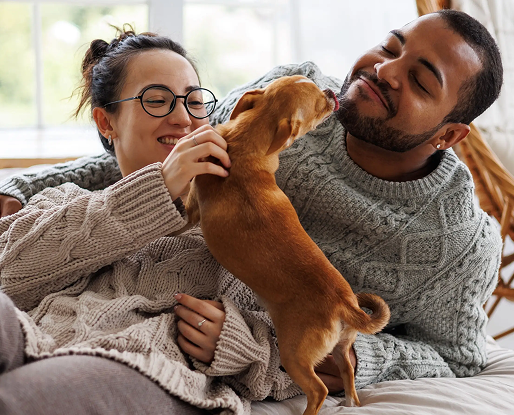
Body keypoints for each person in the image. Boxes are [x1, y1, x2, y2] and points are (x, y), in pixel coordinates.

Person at [0, 8, 504, 413]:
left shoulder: (460, 243)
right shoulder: (295, 93)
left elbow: (456, 356)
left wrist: (337, 349)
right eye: (391, 47)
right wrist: (26, 184)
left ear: (449, 135)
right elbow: (178, 147)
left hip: (182, 342)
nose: (385, 70)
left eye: (420, 80)